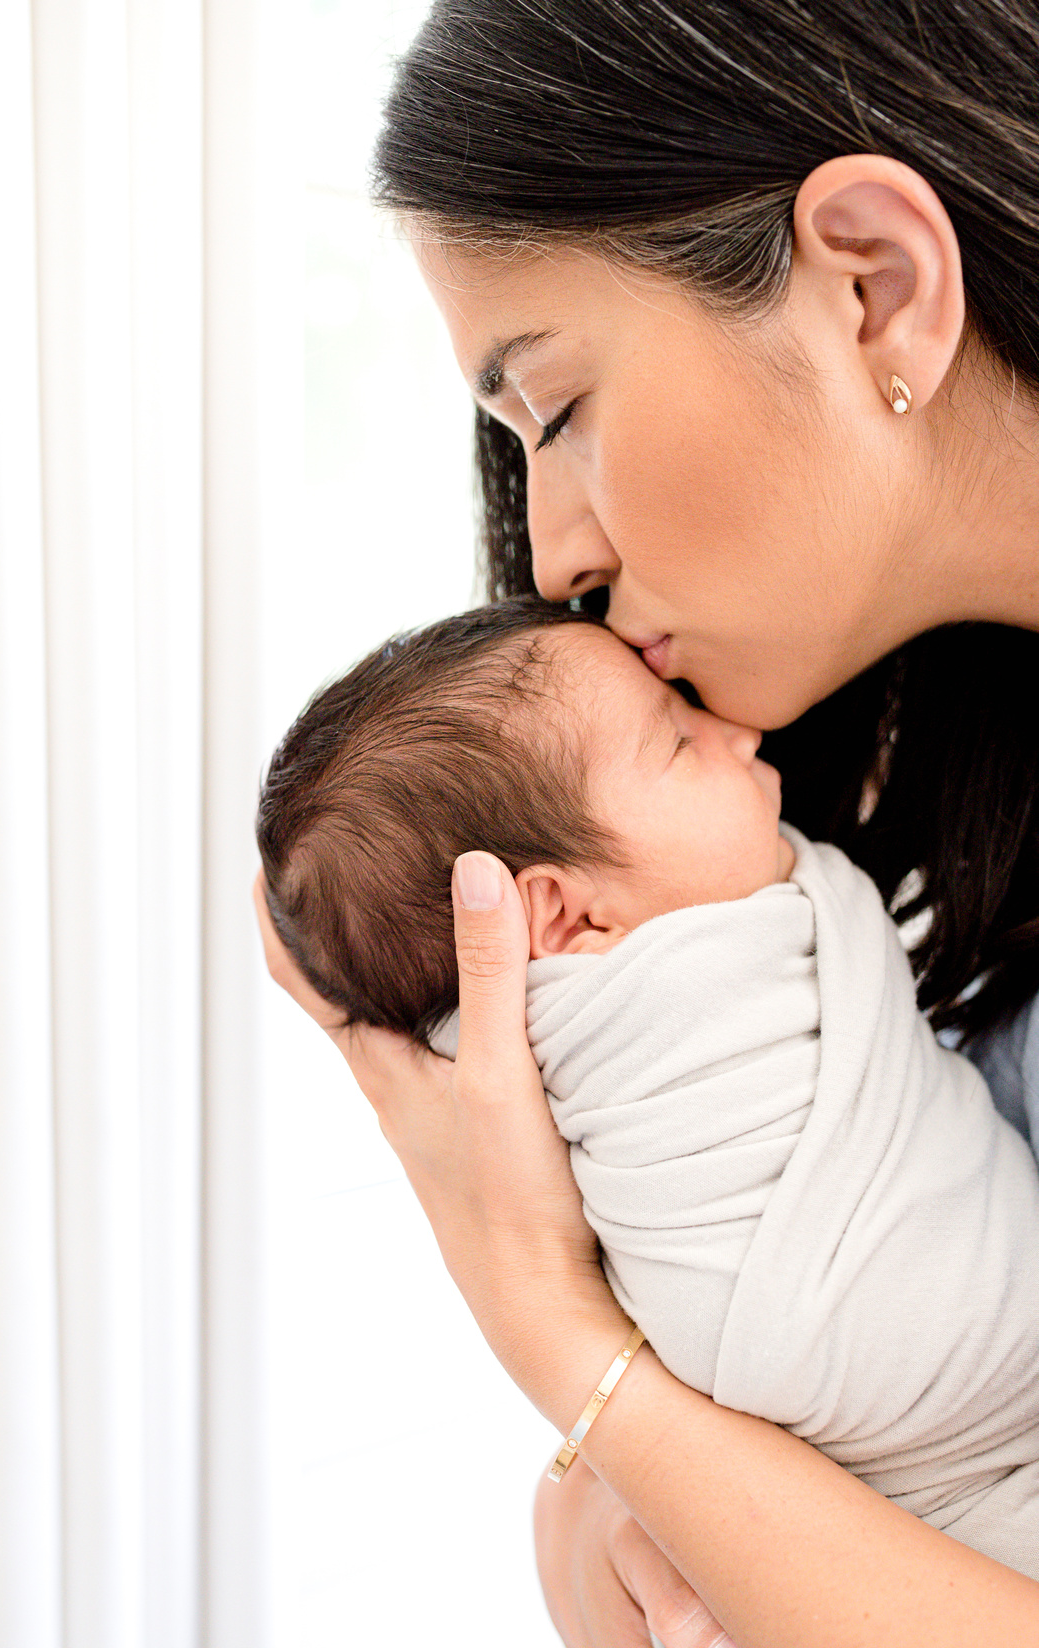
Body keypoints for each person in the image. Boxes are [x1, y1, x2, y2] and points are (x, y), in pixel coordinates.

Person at [257, 2, 1039, 1641]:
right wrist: (599, 1487)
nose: (551, 558)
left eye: (552, 408)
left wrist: (576, 1356)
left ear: (874, 284)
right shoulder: (929, 785)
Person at [257, 597, 1039, 1574]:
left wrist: (570, 1366)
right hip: (914, 1409)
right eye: (676, 740)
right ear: (565, 918)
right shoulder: (641, 1016)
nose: (735, 731)